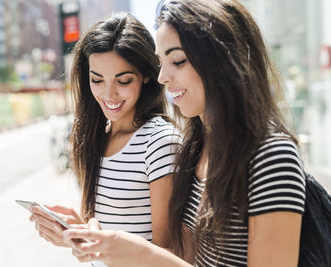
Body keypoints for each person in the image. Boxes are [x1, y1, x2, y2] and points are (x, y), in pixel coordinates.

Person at [64, 1, 306, 266]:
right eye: (161, 62)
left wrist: (138, 252)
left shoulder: (272, 157)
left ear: (222, 61)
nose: (162, 77)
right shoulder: (197, 149)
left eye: (177, 61)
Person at [29, 12, 181, 267]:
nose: (109, 94)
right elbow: (106, 233)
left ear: (146, 75)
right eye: (97, 79)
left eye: (123, 80)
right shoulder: (95, 137)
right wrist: (75, 232)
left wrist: (101, 247)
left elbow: (168, 252)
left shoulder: (159, 142)